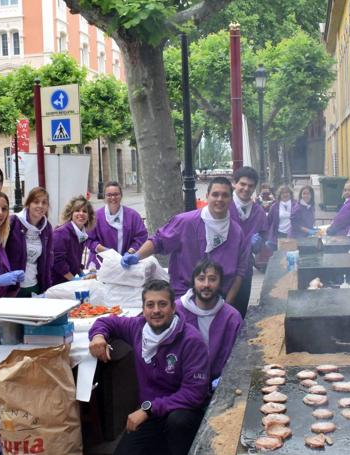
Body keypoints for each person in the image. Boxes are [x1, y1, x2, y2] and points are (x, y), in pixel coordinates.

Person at [88, 280, 209, 455]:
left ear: (173, 308)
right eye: (150, 305)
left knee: (178, 422)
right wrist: (98, 336)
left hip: (180, 410)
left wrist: (148, 409)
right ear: (143, 309)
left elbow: (194, 394)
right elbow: (106, 322)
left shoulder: (191, 341)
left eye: (162, 304)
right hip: (151, 412)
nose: (156, 310)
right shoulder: (137, 328)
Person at [121, 177, 248, 304]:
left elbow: (239, 273)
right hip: (184, 298)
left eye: (225, 195)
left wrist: (227, 306)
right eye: (215, 194)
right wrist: (137, 255)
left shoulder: (237, 233)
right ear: (207, 196)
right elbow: (158, 241)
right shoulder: (185, 222)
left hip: (218, 300)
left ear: (231, 199)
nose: (220, 199)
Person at [175, 259, 242, 383]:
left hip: (217, 384)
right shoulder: (177, 311)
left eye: (212, 279)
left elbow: (238, 356)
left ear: (220, 283)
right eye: (201, 279)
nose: (206, 284)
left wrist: (225, 379)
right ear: (193, 282)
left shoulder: (232, 318)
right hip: (182, 383)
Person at [228, 167, 267, 317]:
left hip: (245, 269)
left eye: (250, 186)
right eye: (242, 184)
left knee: (240, 311)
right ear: (234, 184)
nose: (246, 188)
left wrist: (259, 244)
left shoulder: (259, 212)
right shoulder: (224, 206)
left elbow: (261, 242)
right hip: (222, 269)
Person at [86, 181, 147, 269]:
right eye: (109, 195)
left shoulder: (133, 215)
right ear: (104, 197)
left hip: (125, 264)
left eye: (116, 194)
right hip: (100, 264)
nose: (113, 197)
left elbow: (141, 236)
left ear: (121, 195)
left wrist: (130, 252)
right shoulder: (95, 217)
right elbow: (88, 239)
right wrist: (105, 251)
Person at [5, 187, 54, 297]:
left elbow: (48, 260)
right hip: (13, 288)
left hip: (34, 286)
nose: (40, 206)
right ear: (28, 204)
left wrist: (47, 287)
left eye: (44, 203)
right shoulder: (14, 222)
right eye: (36, 202)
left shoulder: (47, 228)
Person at [52, 195, 96, 284]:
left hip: (67, 282)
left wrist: (81, 273)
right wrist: (74, 280)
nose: (81, 214)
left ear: (89, 216)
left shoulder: (81, 234)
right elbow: (58, 262)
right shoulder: (61, 233)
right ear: (71, 214)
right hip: (56, 282)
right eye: (77, 210)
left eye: (85, 211)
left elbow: (74, 262)